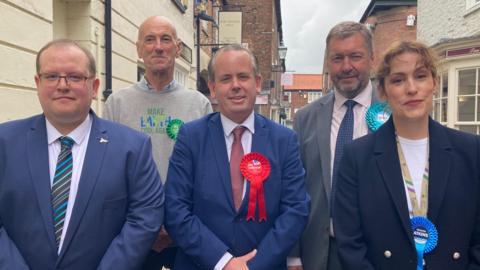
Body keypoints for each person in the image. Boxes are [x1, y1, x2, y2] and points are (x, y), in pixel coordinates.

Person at [0, 39, 164, 270]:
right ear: (38, 82)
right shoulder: (4, 143)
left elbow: (145, 219)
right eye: (52, 76)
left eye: (75, 77)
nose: (63, 85)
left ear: (94, 86)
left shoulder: (133, 148)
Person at [333, 40, 480, 270]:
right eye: (398, 80)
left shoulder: (471, 150)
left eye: (420, 76)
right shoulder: (357, 156)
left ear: (435, 82)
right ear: (383, 90)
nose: (411, 88)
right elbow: (350, 244)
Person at [165, 44, 310, 270]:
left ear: (258, 83)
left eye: (243, 77)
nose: (235, 86)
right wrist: (223, 262)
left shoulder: (285, 140)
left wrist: (253, 265)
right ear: (212, 88)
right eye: (225, 79)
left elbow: (296, 209)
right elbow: (175, 209)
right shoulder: (190, 137)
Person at [103, 16, 212, 269]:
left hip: (186, 230)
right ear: (139, 49)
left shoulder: (199, 104)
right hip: (132, 231)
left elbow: (206, 172)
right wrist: (145, 224)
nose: (158, 46)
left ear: (178, 48)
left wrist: (177, 224)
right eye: (150, 40)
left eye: (166, 39)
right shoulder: (117, 104)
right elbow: (108, 171)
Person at [290, 21, 378, 270]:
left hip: (376, 254)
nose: (346, 66)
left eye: (355, 56)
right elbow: (293, 189)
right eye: (337, 58)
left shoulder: (393, 113)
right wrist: (293, 255)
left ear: (372, 58)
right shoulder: (305, 118)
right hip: (319, 253)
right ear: (328, 63)